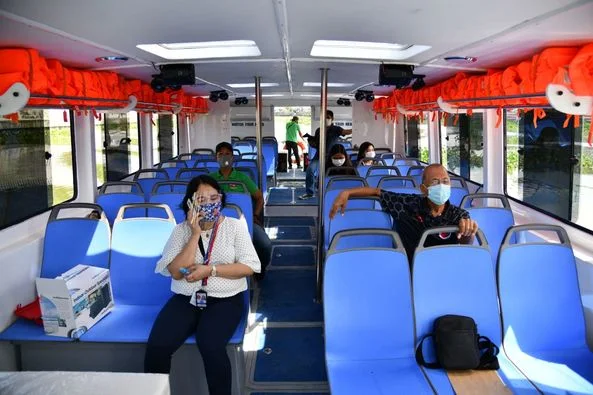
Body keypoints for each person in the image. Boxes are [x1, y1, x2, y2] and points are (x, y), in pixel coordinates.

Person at [145, 175, 260, 395]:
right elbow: (176, 272)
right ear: (190, 203)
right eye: (201, 199)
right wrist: (194, 233)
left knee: (210, 346)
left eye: (213, 197)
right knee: (158, 347)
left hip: (226, 300)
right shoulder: (181, 231)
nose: (208, 203)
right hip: (186, 298)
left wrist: (211, 270)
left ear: (221, 199)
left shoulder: (235, 227)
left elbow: (249, 267)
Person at [329, 164, 479, 260]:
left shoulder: (458, 215)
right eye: (435, 182)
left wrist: (469, 232)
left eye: (445, 181)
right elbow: (376, 192)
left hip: (444, 268)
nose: (441, 186)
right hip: (410, 267)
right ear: (423, 189)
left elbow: (465, 243)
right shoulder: (407, 204)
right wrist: (347, 192)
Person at [210, 142, 273, 281]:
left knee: (265, 245)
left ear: (233, 158)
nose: (224, 157)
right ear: (216, 158)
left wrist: (255, 215)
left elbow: (259, 198)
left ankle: (260, 270)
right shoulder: (211, 179)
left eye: (227, 154)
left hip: (244, 221)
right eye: (221, 154)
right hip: (216, 222)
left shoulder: (242, 178)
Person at [300, 110, 352, 199]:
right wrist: (311, 139)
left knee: (326, 174)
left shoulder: (336, 129)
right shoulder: (319, 130)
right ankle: (310, 192)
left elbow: (346, 132)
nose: (326, 119)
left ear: (332, 119)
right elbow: (316, 143)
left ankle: (328, 192)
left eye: (328, 117)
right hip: (319, 155)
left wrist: (357, 128)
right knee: (310, 170)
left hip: (331, 156)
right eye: (324, 118)